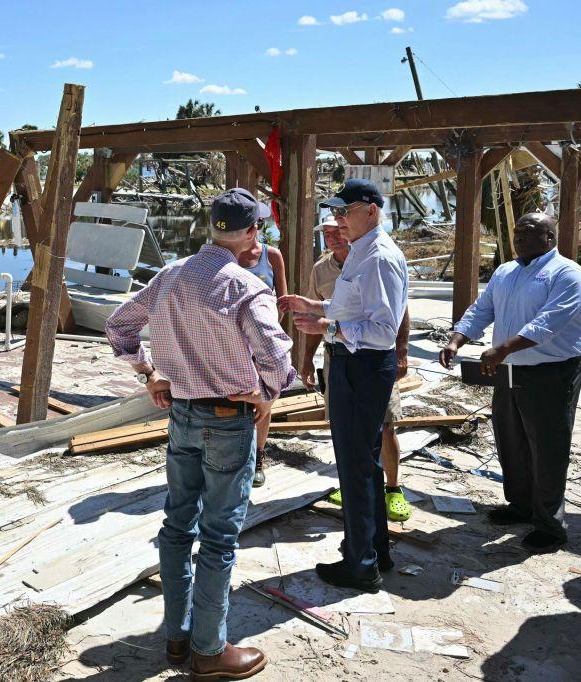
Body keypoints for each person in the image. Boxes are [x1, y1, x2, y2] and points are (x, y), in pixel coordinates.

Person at [106, 188, 294, 679]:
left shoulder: (169, 275)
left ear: (213, 227)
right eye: (259, 230)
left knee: (176, 526)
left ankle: (177, 638)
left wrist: (149, 374)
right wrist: (267, 392)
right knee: (218, 538)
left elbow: (119, 325)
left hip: (182, 417)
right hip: (228, 422)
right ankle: (209, 652)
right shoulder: (245, 287)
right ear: (251, 230)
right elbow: (277, 359)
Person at [279, 178, 408, 594]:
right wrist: (314, 305)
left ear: (370, 210)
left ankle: (360, 565)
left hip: (364, 366)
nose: (338, 220)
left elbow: (383, 329)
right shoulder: (361, 252)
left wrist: (327, 325)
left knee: (355, 467)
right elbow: (352, 306)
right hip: (354, 364)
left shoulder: (379, 257)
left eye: (345, 212)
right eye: (335, 213)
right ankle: (373, 550)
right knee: (362, 465)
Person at [440, 213, 581, 554]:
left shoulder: (567, 273)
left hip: (551, 371)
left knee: (547, 447)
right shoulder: (506, 271)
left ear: (549, 236)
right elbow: (481, 309)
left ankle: (550, 525)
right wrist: (457, 338)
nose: (519, 237)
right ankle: (520, 505)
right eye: (517, 231)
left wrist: (502, 348)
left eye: (528, 231)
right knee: (511, 438)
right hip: (509, 369)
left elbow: (548, 323)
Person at [302, 218, 413, 522]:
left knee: (386, 423)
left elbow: (398, 311)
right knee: (345, 429)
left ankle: (392, 488)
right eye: (326, 233)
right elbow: (321, 318)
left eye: (337, 231)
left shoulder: (374, 260)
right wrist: (307, 358)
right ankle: (352, 486)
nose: (333, 237)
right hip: (338, 357)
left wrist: (402, 352)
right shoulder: (320, 270)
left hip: (375, 358)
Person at [236, 202, 287, 488]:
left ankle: (259, 455)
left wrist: (265, 331)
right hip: (231, 343)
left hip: (262, 342)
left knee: (264, 397)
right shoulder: (226, 255)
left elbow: (283, 299)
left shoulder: (272, 255)